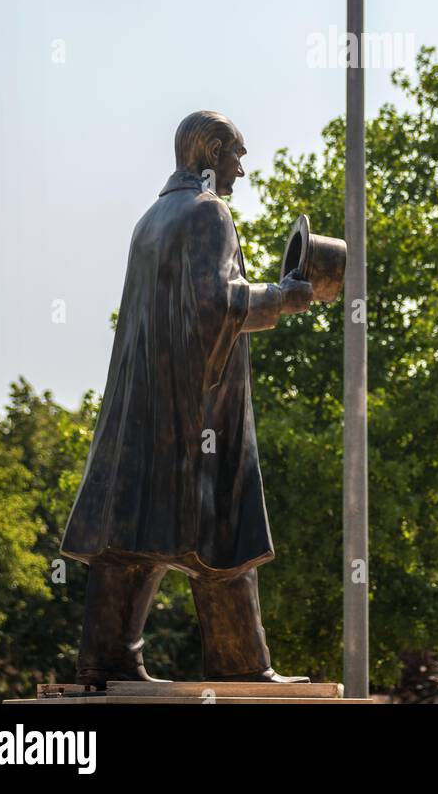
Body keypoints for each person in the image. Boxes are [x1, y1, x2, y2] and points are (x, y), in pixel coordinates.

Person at [61, 110, 314, 685]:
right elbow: (213, 304)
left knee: (131, 532)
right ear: (212, 153)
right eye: (237, 156)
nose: (242, 171)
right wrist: (283, 296)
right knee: (224, 524)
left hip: (141, 407)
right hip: (196, 408)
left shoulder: (151, 220)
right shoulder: (208, 213)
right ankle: (241, 664)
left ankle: (105, 659)